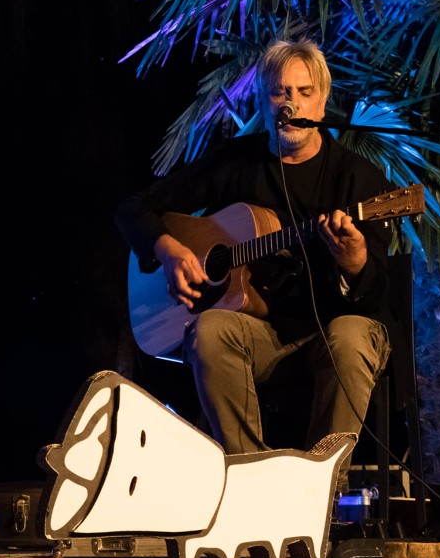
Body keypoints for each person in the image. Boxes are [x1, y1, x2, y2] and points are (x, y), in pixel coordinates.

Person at [115, 39, 395, 489]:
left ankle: (320, 490)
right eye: (280, 92)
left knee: (351, 334)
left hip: (332, 334)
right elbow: (133, 209)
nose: (292, 103)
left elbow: (381, 297)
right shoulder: (235, 163)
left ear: (323, 102)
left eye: (304, 92)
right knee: (209, 329)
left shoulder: (359, 180)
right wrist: (169, 249)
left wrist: (356, 263)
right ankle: (252, 486)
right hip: (260, 336)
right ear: (264, 100)